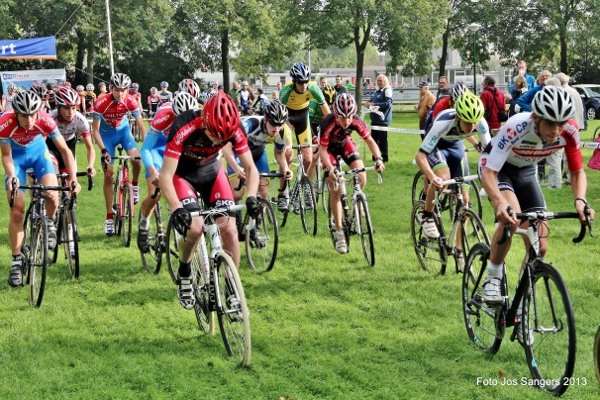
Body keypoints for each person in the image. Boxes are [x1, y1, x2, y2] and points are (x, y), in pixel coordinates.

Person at [478, 87, 594, 329]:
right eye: (550, 123)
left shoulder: (569, 131)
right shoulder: (517, 126)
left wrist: (580, 200)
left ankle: (521, 302)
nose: (556, 131)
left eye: (561, 124)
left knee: (540, 246)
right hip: (498, 169)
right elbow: (489, 173)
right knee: (512, 219)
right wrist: (499, 202)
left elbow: (576, 172)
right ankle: (493, 277)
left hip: (527, 172)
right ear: (536, 117)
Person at [158, 91, 260, 309]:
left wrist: (252, 196)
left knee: (230, 231)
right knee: (195, 229)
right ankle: (185, 271)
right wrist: (176, 208)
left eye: (223, 138)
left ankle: (232, 289)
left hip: (212, 172)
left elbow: (251, 168)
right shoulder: (184, 125)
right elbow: (165, 176)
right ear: (204, 121)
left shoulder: (235, 128)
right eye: (214, 135)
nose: (218, 141)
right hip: (183, 175)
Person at [0, 91, 82, 287]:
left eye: (32, 115)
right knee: (17, 211)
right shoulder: (5, 123)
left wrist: (73, 179)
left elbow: (65, 151)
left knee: (52, 195)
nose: (29, 120)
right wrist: (12, 176)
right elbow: (6, 156)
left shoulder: (45, 120)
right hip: (17, 161)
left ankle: (50, 224)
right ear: (16, 113)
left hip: (39, 156)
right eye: (24, 115)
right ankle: (16, 262)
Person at [414, 92, 490, 269]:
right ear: (458, 117)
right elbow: (420, 156)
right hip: (437, 146)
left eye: (475, 123)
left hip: (456, 147)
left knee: (464, 200)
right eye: (468, 122)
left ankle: (459, 250)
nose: (472, 127)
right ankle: (427, 216)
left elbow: (490, 155)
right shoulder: (444, 122)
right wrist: (432, 177)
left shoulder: (480, 122)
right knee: (443, 177)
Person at [319, 93, 385, 254]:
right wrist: (331, 168)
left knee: (361, 175)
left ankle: (356, 201)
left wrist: (378, 159)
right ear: (336, 114)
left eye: (349, 117)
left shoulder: (355, 120)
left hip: (344, 144)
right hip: (328, 151)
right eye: (343, 117)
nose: (347, 121)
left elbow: (370, 141)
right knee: (335, 188)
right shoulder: (328, 123)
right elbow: (322, 150)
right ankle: (340, 232)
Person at [137, 93, 198, 253]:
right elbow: (146, 149)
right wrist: (153, 170)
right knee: (155, 194)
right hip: (158, 148)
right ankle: (143, 224)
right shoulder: (163, 116)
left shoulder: (197, 117)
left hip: (178, 149)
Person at [92, 72, 146, 235]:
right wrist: (103, 151)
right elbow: (95, 131)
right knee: (108, 174)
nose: (120, 94)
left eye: (123, 90)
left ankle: (134, 185)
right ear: (111, 88)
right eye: (117, 90)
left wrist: (146, 147)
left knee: (136, 160)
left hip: (123, 133)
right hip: (106, 137)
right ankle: (109, 217)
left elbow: (141, 126)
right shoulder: (101, 102)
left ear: (128, 90)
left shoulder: (131, 100)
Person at [224, 99, 293, 208]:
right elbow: (227, 145)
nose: (276, 128)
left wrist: (285, 168)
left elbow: (279, 153)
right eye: (273, 123)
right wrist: (236, 168)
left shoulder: (282, 132)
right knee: (237, 194)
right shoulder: (250, 124)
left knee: (264, 193)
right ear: (265, 120)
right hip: (238, 152)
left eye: (280, 124)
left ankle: (258, 218)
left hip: (258, 152)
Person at [279, 62, 331, 180]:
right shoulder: (286, 90)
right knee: (288, 153)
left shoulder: (313, 88)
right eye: (300, 82)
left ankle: (300, 184)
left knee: (308, 159)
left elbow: (328, 114)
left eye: (306, 81)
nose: (304, 85)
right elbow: (279, 115)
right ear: (294, 81)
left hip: (303, 116)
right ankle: (283, 189)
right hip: (287, 117)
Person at [48, 87, 96, 180]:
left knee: (72, 183)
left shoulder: (81, 120)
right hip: (51, 146)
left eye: (74, 108)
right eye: (66, 108)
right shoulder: (50, 118)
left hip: (69, 145)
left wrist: (90, 165)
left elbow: (90, 148)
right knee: (54, 179)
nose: (71, 112)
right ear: (58, 107)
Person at [364, 74, 392, 163]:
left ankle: (384, 157)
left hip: (382, 120)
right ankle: (375, 157)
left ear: (385, 81)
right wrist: (368, 103)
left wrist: (374, 104)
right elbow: (372, 101)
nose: (379, 82)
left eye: (381, 81)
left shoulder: (387, 91)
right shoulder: (377, 92)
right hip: (374, 120)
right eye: (378, 81)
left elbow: (388, 104)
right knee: (374, 140)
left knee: (382, 140)